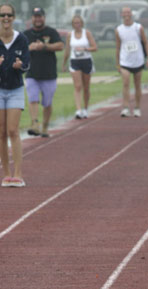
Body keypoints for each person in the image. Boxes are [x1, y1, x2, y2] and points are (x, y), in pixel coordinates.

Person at [0, 3, 30, 188]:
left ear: (13, 17)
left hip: (15, 89)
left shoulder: (22, 39)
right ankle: (6, 174)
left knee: (12, 130)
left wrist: (20, 66)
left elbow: (27, 64)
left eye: (9, 15)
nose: (5, 18)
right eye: (2, 15)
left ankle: (18, 174)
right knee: (1, 132)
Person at [24, 7, 64, 138]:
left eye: (40, 16)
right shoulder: (26, 34)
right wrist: (29, 48)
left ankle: (45, 126)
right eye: (35, 16)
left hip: (49, 74)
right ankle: (35, 124)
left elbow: (60, 46)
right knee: (33, 98)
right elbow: (18, 50)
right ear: (32, 19)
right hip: (31, 74)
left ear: (44, 18)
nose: (38, 19)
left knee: (47, 103)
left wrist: (44, 46)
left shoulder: (51, 32)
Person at [115, 7, 148, 117]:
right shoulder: (119, 30)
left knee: (137, 85)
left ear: (131, 14)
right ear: (122, 15)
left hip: (138, 60)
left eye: (128, 12)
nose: (126, 14)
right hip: (124, 60)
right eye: (124, 12)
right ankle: (125, 107)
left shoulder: (138, 27)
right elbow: (118, 47)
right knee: (125, 83)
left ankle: (137, 107)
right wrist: (117, 63)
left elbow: (145, 42)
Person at [62, 15, 97, 119]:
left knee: (86, 87)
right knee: (77, 86)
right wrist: (64, 63)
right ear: (72, 24)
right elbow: (67, 49)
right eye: (75, 23)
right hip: (74, 61)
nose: (77, 25)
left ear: (82, 23)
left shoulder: (87, 33)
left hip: (86, 60)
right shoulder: (70, 35)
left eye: (78, 23)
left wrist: (85, 49)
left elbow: (95, 47)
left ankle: (85, 109)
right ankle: (78, 110)